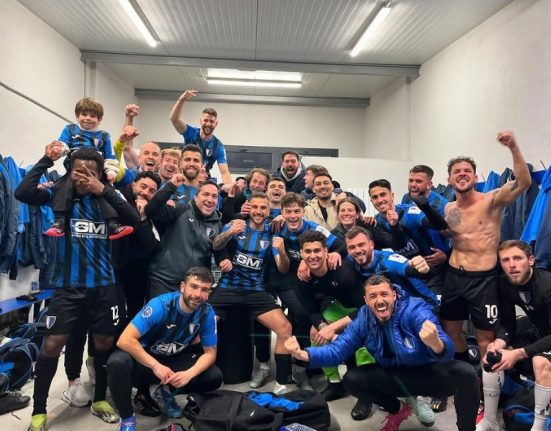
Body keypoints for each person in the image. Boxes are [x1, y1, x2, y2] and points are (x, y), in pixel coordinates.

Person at [15, 144, 139, 431]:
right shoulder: (59, 195)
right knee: (51, 346)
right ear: (70, 172)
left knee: (103, 345)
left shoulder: (108, 199)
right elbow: (22, 192)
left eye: (90, 172)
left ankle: (100, 399)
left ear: (99, 174)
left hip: (104, 286)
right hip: (67, 288)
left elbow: (134, 219)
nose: (83, 177)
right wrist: (46, 159)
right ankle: (39, 411)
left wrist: (102, 188)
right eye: (78, 171)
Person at [285, 274, 480, 431]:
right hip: (395, 377)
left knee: (465, 373)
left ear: (394, 295)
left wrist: (436, 344)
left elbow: (447, 350)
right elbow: (338, 350)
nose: (379, 301)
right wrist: (305, 355)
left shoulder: (414, 309)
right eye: (373, 296)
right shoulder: (364, 319)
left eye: (384, 294)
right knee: (352, 379)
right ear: (366, 300)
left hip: (428, 374)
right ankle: (399, 409)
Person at [441, 131, 531, 427]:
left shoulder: (492, 199)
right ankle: (464, 382)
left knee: (486, 341)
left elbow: (524, 182)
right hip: (454, 277)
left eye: (467, 170)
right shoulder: (449, 208)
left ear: (475, 176)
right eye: (457, 171)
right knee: (451, 332)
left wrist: (513, 146)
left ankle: (485, 400)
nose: (462, 174)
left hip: (483, 281)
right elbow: (455, 237)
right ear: (449, 179)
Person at [106, 267, 223, 431]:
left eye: (204, 289)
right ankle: (127, 419)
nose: (198, 294)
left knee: (214, 376)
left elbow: (210, 353)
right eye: (194, 287)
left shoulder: (207, 313)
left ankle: (166, 392)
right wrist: (156, 366)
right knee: (116, 362)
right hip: (147, 360)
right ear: (183, 287)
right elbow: (124, 340)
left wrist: (189, 374)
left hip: (174, 359)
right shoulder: (161, 305)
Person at [210, 192, 293, 395]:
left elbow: (283, 268)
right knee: (200, 324)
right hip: (227, 288)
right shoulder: (236, 225)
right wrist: (229, 233)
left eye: (263, 208)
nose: (258, 211)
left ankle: (281, 384)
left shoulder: (273, 232)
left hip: (255, 291)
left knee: (285, 328)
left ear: (268, 210)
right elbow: (216, 245)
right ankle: (201, 375)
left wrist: (282, 252)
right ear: (249, 208)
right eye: (255, 207)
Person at [297, 230, 375, 420]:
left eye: (317, 250)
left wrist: (334, 327)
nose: (313, 256)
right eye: (308, 252)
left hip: (361, 308)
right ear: (301, 254)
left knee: (361, 338)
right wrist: (323, 327)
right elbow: (311, 311)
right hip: (338, 307)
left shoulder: (343, 271)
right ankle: (335, 383)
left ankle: (366, 393)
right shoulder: (303, 277)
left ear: (326, 251)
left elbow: (365, 309)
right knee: (315, 333)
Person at [478, 240, 551, 431]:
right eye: (505, 260)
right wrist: (499, 342)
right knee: (493, 355)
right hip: (539, 331)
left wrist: (519, 353)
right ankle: (490, 420)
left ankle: (538, 427)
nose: (512, 265)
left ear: (531, 260)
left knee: (540, 362)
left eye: (517, 258)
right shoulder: (505, 283)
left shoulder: (547, 285)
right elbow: (508, 325)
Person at [46, 97, 132, 240]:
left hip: (96, 175)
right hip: (73, 172)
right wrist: (59, 149)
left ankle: (113, 225)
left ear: (100, 119)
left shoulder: (104, 136)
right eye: (84, 114)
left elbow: (110, 156)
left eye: (93, 116)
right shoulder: (70, 129)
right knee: (62, 187)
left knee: (106, 192)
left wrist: (111, 171)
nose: (88, 118)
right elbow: (63, 143)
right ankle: (59, 222)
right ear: (77, 116)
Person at [146, 178, 221, 297]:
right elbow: (151, 210)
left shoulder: (218, 225)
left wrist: (224, 259)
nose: (210, 200)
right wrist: (171, 186)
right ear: (195, 197)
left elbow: (219, 252)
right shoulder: (180, 210)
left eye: (214, 196)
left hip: (192, 286)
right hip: (163, 280)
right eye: (205, 194)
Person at [169, 89, 232, 186]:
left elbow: (225, 172)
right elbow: (174, 119)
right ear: (200, 121)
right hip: (185, 177)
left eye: (211, 121)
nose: (208, 124)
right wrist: (182, 100)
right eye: (205, 120)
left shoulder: (218, 146)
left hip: (203, 181)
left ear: (216, 124)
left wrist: (229, 186)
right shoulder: (191, 133)